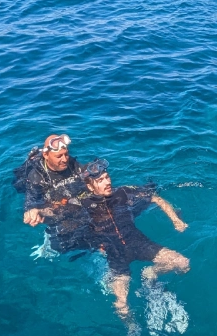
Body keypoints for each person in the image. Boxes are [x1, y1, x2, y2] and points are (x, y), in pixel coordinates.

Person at [67, 159, 189, 320]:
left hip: (139, 243)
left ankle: (150, 273)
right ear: (90, 187)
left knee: (183, 263)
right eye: (100, 180)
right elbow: (72, 229)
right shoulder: (82, 206)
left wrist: (176, 220)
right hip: (115, 255)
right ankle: (132, 332)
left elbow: (155, 198)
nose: (107, 182)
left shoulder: (123, 193)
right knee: (122, 305)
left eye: (107, 177)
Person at [12, 133, 85, 233]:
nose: (64, 159)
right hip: (29, 180)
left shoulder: (72, 164)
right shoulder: (37, 177)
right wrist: (32, 212)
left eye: (66, 154)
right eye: (59, 156)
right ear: (46, 155)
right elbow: (32, 201)